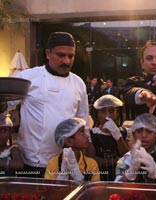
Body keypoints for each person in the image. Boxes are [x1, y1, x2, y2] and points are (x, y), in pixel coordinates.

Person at [0, 32, 90, 177]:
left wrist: (84, 158)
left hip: (65, 163)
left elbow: (83, 122)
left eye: (71, 56)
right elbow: (5, 105)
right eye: (60, 55)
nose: (66, 61)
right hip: (32, 162)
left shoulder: (78, 83)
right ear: (48, 54)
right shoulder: (28, 77)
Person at [114, 113, 156, 184]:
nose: (144, 135)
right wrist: (129, 174)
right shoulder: (125, 160)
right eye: (139, 131)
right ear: (134, 135)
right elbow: (117, 188)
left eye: (149, 131)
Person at [88, 94, 131, 181]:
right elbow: (91, 159)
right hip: (100, 176)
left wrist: (117, 135)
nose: (108, 115)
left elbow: (127, 156)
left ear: (117, 113)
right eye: (103, 111)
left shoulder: (124, 132)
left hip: (120, 176)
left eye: (111, 111)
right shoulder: (91, 134)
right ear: (98, 114)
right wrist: (117, 160)